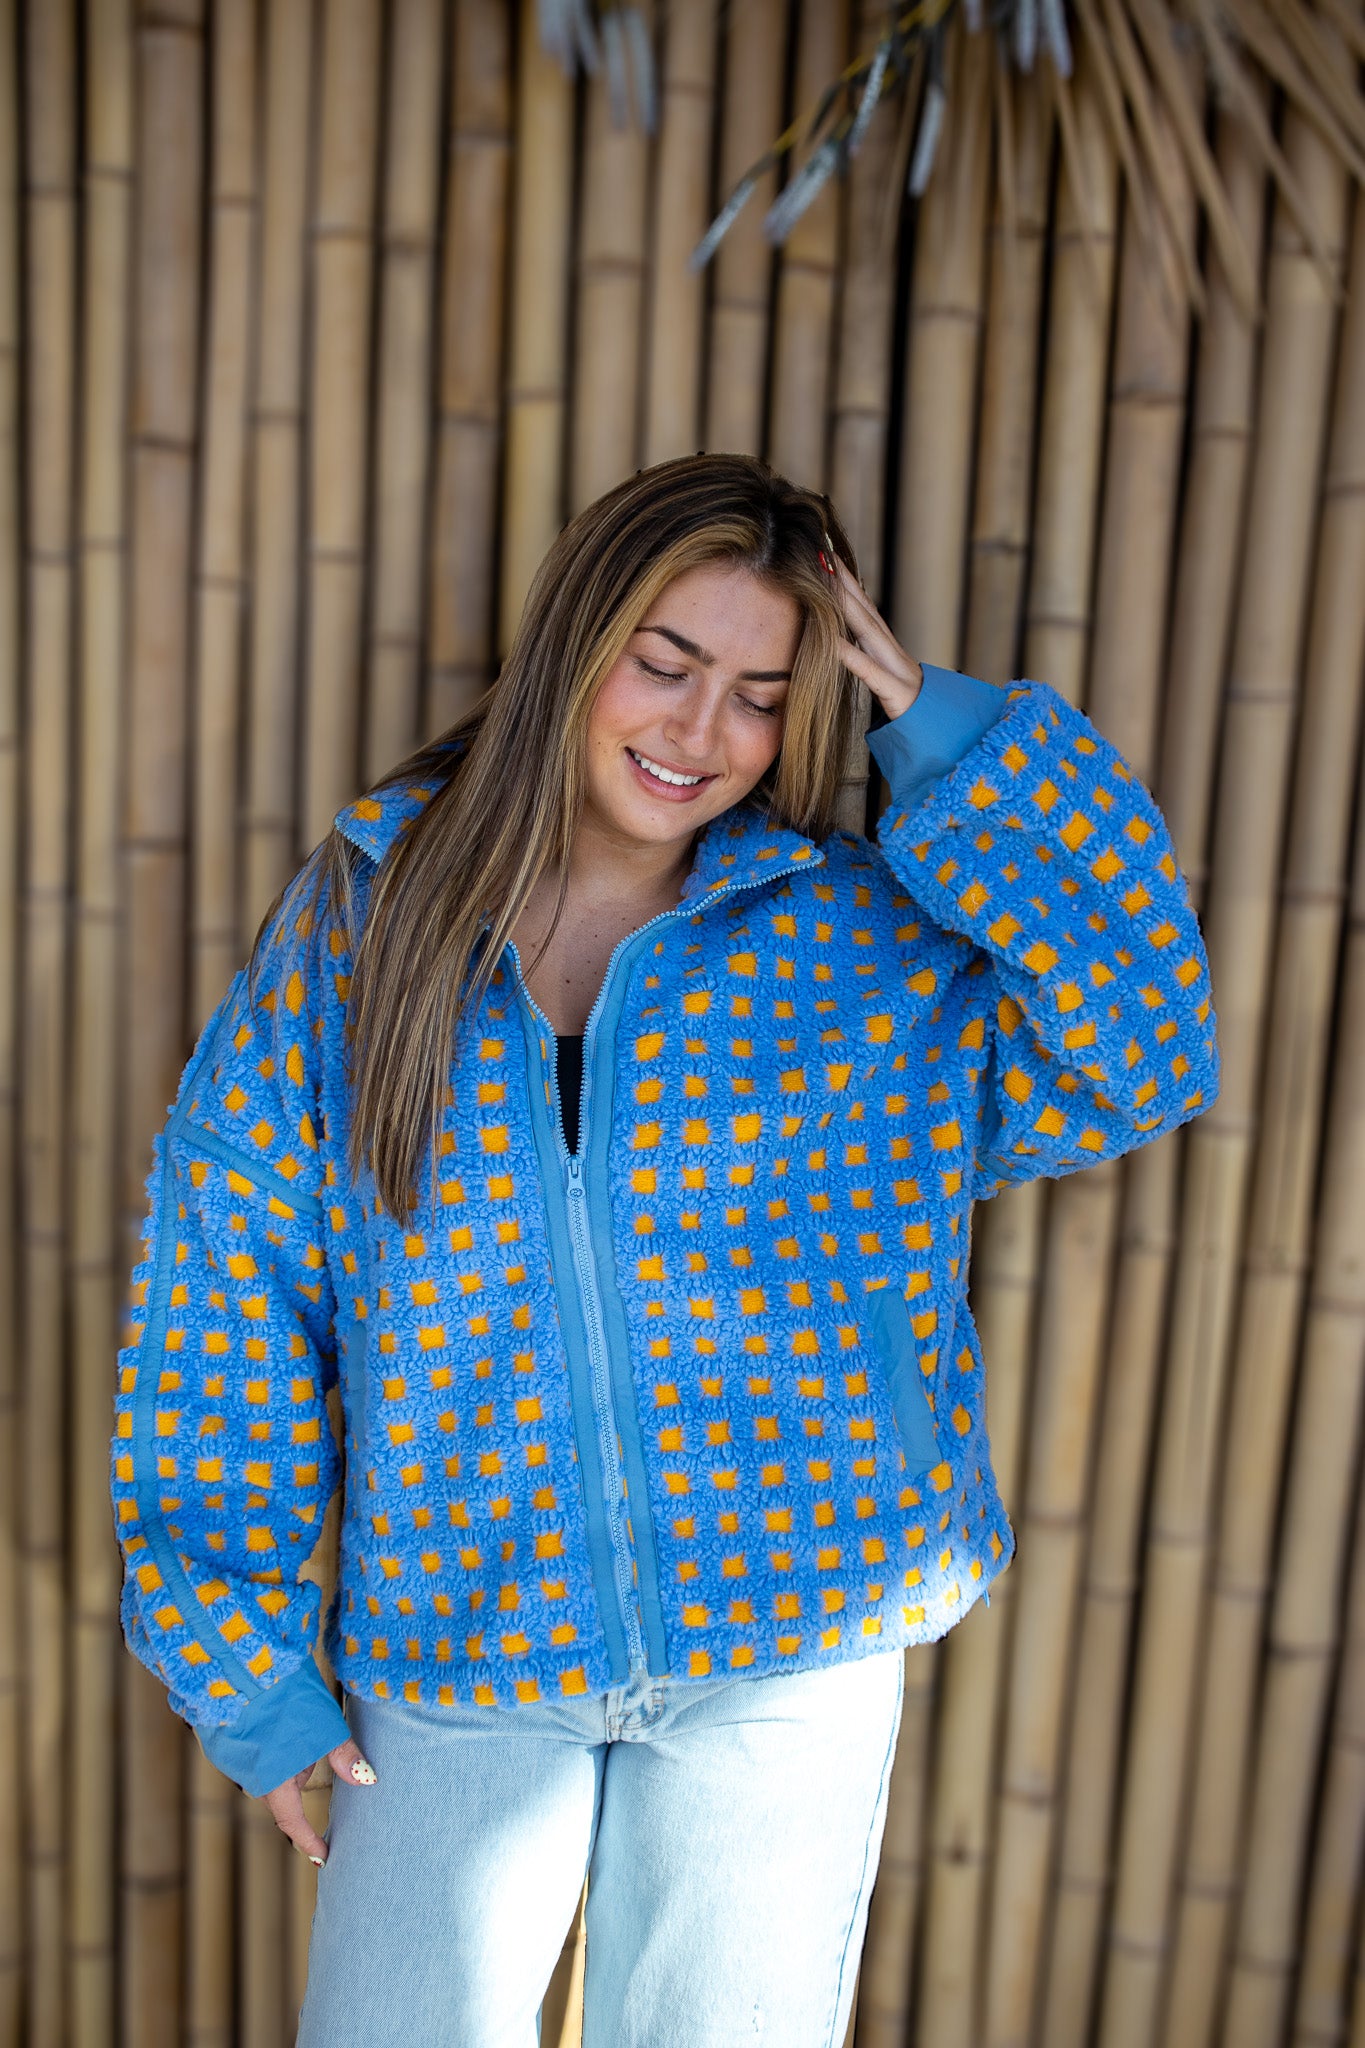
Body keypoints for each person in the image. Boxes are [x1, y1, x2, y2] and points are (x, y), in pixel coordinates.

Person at [110, 453, 1219, 2046]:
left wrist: (953, 740)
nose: (702, 733)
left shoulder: (858, 947)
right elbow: (229, 1299)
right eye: (665, 664)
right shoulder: (364, 933)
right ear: (577, 646)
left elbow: (1147, 1049)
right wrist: (245, 1667)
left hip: (791, 1644)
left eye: (760, 694)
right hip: (459, 1648)